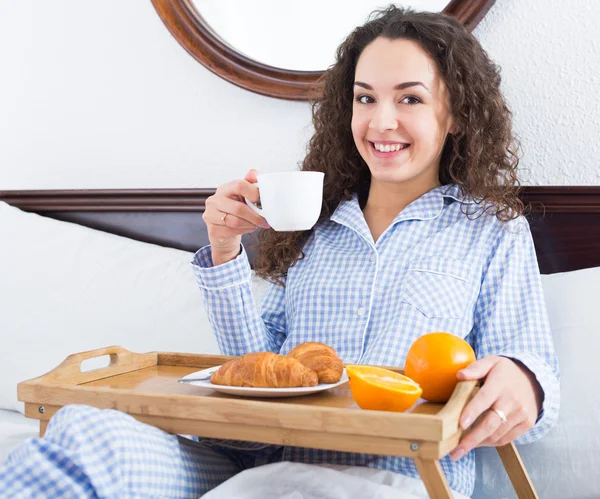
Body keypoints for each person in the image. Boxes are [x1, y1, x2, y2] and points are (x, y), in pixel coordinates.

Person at [0, 5, 559, 498]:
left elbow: (536, 390)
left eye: (409, 98)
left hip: (395, 477)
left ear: (456, 113)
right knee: (85, 433)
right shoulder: (310, 225)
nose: (380, 121)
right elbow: (256, 366)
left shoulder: (490, 232)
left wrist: (523, 383)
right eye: (365, 98)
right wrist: (224, 250)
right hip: (258, 462)